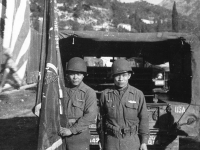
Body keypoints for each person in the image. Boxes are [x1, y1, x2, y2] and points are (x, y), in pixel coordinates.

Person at [98, 59, 149, 150]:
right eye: (117, 75)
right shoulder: (105, 94)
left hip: (131, 141)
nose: (120, 79)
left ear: (129, 76)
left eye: (124, 75)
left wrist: (144, 142)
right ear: (113, 76)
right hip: (111, 141)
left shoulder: (138, 94)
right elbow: (100, 120)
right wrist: (101, 139)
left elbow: (144, 119)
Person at [59, 57, 98, 150]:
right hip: (60, 132)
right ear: (67, 74)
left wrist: (72, 130)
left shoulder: (89, 92)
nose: (75, 77)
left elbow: (90, 115)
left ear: (83, 75)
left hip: (78, 135)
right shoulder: (61, 90)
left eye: (78, 74)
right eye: (72, 73)